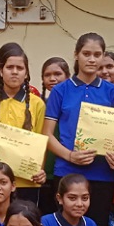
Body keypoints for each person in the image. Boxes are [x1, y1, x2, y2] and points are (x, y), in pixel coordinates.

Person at [43, 33, 114, 225]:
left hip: (102, 174)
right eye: (86, 54)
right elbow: (46, 134)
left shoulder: (113, 92)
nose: (92, 59)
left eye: (97, 55)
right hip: (67, 171)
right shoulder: (60, 91)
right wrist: (70, 156)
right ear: (76, 54)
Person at [0, 43, 47, 203]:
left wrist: (40, 170)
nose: (14, 72)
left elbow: (41, 145)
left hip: (26, 182)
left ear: (26, 73)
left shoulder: (37, 104)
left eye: (20, 68)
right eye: (9, 67)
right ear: (0, 71)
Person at [38, 56, 70, 214]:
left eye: (57, 74)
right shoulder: (38, 105)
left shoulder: (72, 106)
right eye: (47, 75)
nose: (52, 78)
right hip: (42, 172)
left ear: (68, 77)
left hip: (64, 169)